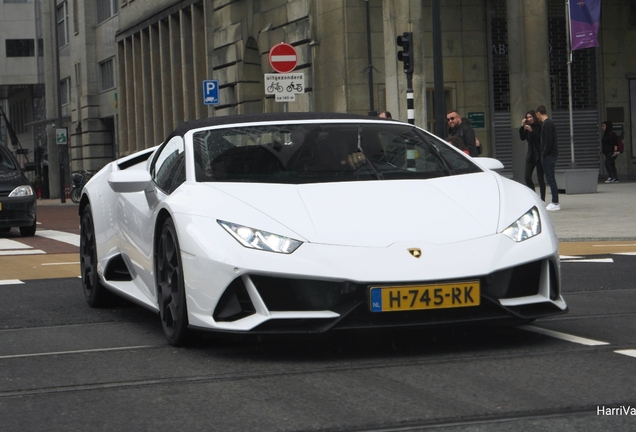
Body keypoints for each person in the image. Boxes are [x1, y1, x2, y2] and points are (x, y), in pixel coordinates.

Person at [535, 105, 560, 211]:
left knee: (550, 179)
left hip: (549, 155)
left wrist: (544, 153)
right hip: (548, 155)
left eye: (536, 115)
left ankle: (555, 202)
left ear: (538, 113)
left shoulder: (548, 124)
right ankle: (555, 201)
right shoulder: (546, 124)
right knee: (550, 178)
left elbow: (548, 141)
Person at [519, 110, 545, 201]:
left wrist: (532, 131)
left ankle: (542, 199)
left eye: (531, 117)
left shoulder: (540, 126)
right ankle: (534, 196)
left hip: (539, 154)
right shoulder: (527, 126)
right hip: (531, 155)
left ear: (534, 116)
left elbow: (540, 139)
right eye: (527, 117)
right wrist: (522, 126)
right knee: (527, 177)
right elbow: (522, 137)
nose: (529, 119)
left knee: (540, 178)